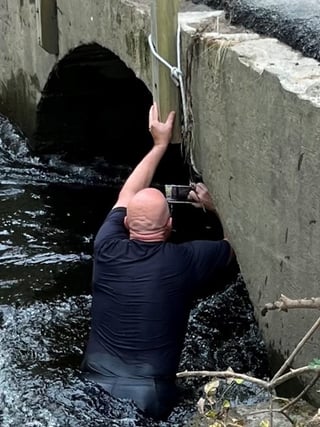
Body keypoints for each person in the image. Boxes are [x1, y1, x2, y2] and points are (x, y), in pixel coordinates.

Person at [81, 102, 233, 420]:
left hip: (93, 384)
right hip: (150, 394)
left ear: (124, 224)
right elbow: (236, 246)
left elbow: (126, 196)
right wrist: (216, 207)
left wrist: (159, 145)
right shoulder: (186, 260)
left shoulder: (106, 246)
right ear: (169, 227)